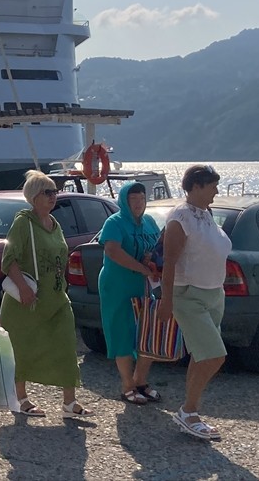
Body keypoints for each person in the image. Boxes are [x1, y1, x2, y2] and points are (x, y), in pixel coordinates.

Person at [0, 170, 90, 418]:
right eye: (47, 192)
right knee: (22, 347)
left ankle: (69, 402)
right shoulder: (23, 223)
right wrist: (25, 288)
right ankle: (21, 398)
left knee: (65, 344)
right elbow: (8, 260)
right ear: (33, 196)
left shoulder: (55, 223)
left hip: (56, 296)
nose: (53, 196)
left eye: (54, 191)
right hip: (27, 300)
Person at [158, 164, 231, 441]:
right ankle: (188, 412)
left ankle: (189, 411)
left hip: (213, 293)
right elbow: (170, 263)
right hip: (188, 294)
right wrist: (166, 300)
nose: (216, 191)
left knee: (203, 354)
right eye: (212, 186)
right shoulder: (180, 217)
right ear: (197, 187)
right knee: (215, 355)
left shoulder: (206, 213)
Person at [98, 181, 162, 405]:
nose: (138, 204)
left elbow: (157, 247)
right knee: (122, 333)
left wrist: (152, 262)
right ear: (124, 201)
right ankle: (127, 386)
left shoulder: (150, 222)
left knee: (149, 333)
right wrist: (141, 267)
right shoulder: (114, 223)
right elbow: (113, 250)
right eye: (133, 199)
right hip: (118, 285)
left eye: (142, 199)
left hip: (144, 286)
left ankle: (141, 381)